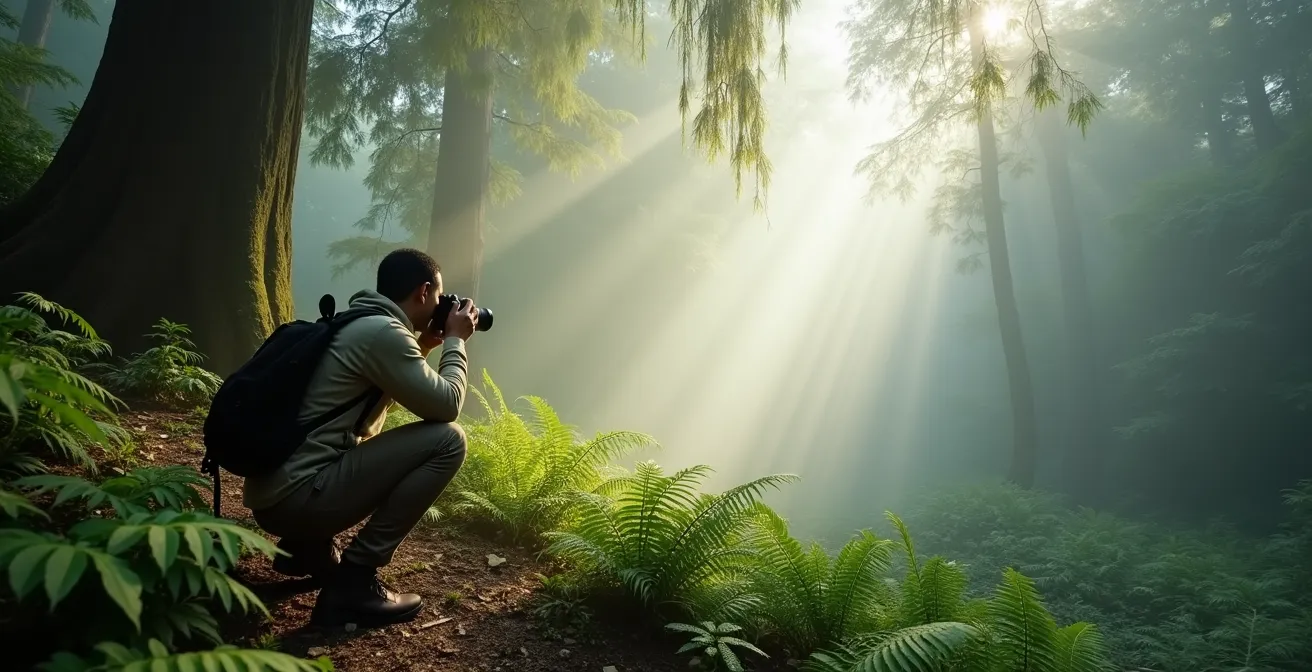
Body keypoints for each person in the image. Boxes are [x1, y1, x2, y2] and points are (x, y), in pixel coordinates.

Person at [241, 248, 476, 628]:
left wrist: (427, 346)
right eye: (439, 298)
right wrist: (455, 341)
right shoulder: (384, 333)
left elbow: (372, 411)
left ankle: (305, 548)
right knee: (449, 439)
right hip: (296, 498)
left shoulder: (361, 321)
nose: (440, 306)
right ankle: (355, 581)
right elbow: (447, 406)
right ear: (423, 291)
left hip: (276, 495)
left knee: (360, 441)